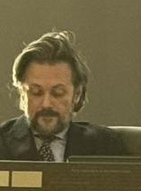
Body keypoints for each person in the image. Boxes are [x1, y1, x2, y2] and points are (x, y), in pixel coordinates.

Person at [0, 31, 126, 162]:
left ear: (77, 95)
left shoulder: (105, 146)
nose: (46, 104)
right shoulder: (2, 143)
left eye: (58, 93)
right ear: (22, 93)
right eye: (36, 92)